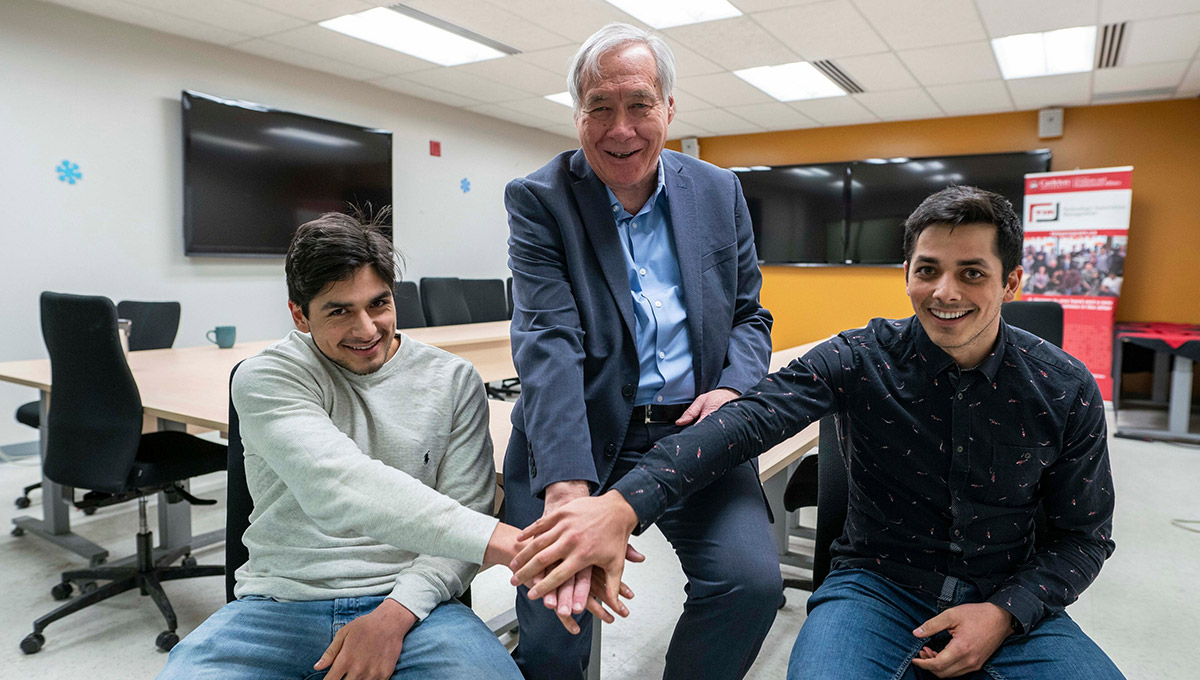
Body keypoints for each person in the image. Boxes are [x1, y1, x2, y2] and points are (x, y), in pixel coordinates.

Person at [513, 186, 1125, 680]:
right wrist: (622, 504)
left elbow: (1084, 537)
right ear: (905, 272)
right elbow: (747, 421)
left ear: (1010, 282)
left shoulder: (1063, 386)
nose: (945, 292)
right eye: (928, 270)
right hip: (879, 589)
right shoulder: (862, 357)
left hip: (1011, 598)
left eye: (971, 273)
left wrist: (1003, 614)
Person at [158, 212, 624, 680]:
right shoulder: (268, 376)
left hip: (419, 609)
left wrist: (394, 615)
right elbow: (339, 485)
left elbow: (465, 511)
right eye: (339, 310)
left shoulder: (454, 381)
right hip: (278, 605)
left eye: (378, 303)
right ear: (299, 314)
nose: (366, 329)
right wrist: (516, 544)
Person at [504, 21, 776, 680]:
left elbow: (751, 316)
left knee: (751, 584)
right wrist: (567, 489)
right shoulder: (539, 200)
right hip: (585, 436)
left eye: (638, 105)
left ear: (669, 109)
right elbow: (549, 340)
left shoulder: (720, 192)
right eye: (600, 107)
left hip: (694, 430)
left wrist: (735, 389)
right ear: (577, 116)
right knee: (555, 609)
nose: (620, 128)